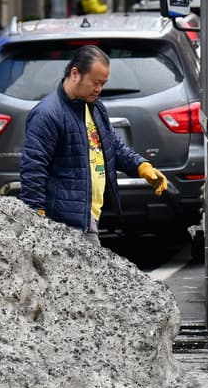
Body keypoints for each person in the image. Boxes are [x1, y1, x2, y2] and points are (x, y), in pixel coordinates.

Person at [19, 45, 171, 246]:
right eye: (95, 82)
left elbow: (113, 147)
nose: (99, 89)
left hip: (88, 215)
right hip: (63, 224)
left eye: (103, 83)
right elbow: (33, 171)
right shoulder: (48, 114)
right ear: (75, 74)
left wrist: (141, 167)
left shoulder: (95, 108)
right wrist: (36, 219)